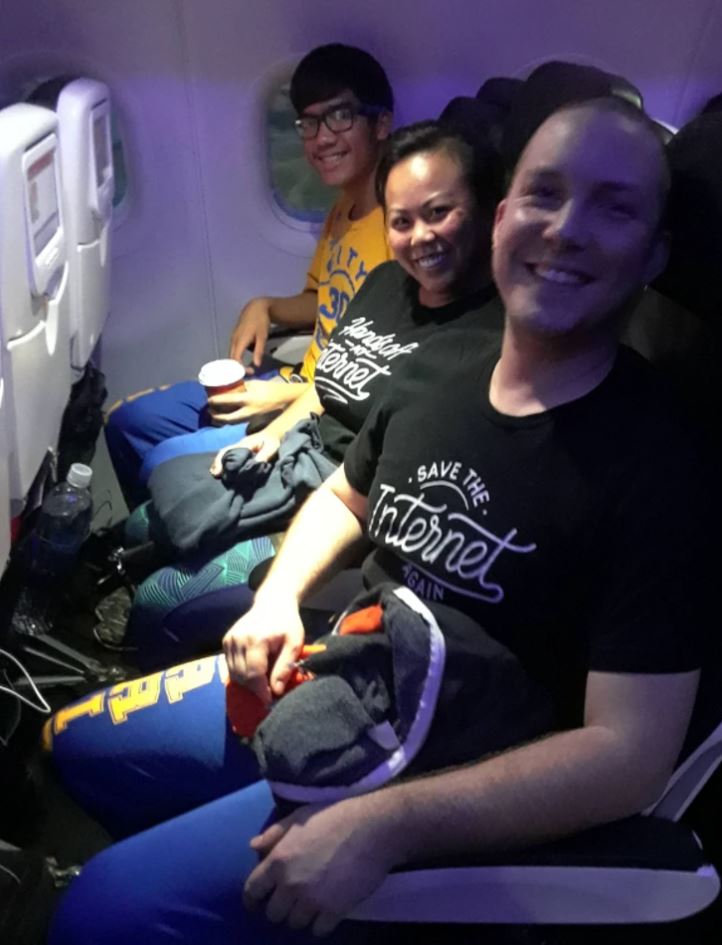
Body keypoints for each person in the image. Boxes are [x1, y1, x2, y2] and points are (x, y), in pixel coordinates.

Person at [47, 98, 712, 945]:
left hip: (449, 761)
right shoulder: (441, 368)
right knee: (72, 749)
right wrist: (278, 597)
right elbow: (342, 497)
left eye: (613, 208)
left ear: (655, 253)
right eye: (544, 194)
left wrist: (386, 826)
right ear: (504, 218)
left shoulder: (663, 464)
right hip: (348, 669)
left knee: (99, 910)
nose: (566, 229)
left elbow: (629, 753)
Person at [113, 120, 504, 671]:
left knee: (165, 597)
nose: (420, 237)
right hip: (300, 453)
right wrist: (274, 435)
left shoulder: (485, 341)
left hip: (344, 511)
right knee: (143, 525)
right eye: (401, 221)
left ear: (489, 212)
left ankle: (142, 680)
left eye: (439, 213)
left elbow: (394, 497)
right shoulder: (386, 285)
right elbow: (328, 384)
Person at [105, 43, 394, 507]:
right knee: (126, 422)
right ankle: (159, 532)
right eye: (309, 123)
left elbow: (387, 370)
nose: (321, 138)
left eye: (340, 117)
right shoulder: (343, 210)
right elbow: (325, 300)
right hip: (299, 378)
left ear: (381, 124)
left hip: (329, 408)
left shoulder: (399, 229)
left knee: (164, 463)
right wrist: (265, 306)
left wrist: (281, 400)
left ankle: (176, 534)